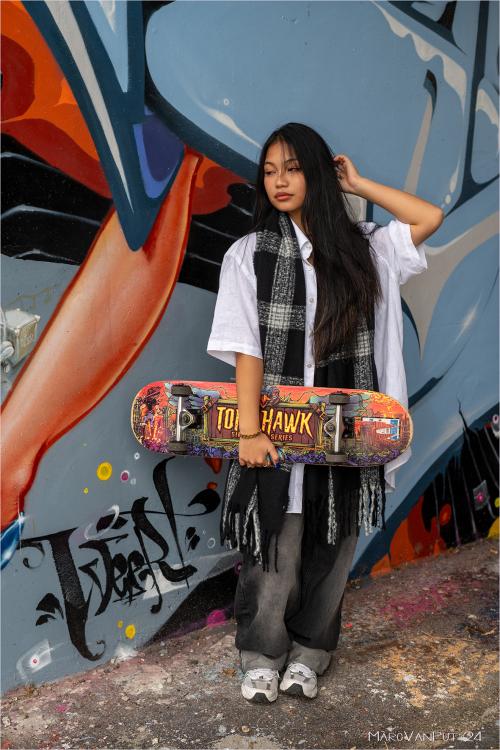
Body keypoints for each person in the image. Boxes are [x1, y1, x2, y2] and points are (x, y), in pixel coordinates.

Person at [207, 122, 443, 703]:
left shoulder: (366, 248)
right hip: (277, 426)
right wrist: (249, 431)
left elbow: (428, 217)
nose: (280, 181)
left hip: (348, 426)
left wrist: (357, 184)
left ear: (317, 173)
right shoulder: (249, 255)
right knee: (275, 545)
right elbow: (247, 348)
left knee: (333, 546)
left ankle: (311, 652)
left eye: (293, 168)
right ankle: (262, 654)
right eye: (270, 171)